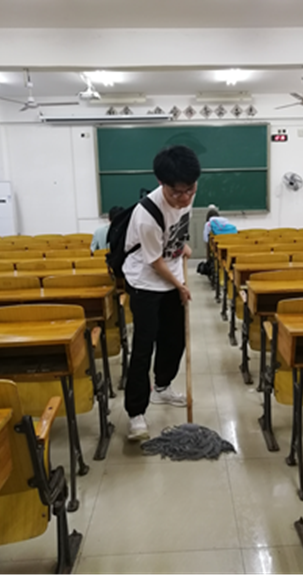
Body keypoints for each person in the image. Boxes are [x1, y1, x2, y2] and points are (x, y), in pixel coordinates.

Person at [123, 145, 201, 441]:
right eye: (176, 192)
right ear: (161, 183)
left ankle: (162, 387)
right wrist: (180, 285)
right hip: (145, 281)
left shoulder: (188, 192)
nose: (184, 198)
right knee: (144, 346)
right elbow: (154, 261)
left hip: (171, 275)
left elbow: (176, 232)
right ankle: (136, 413)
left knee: (175, 339)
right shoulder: (146, 215)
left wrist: (182, 247)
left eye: (189, 190)